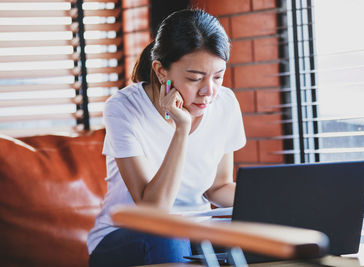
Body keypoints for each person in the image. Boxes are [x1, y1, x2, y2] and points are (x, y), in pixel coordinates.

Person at [87, 9, 246, 267]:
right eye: (195, 78)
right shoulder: (123, 108)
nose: (209, 92)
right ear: (161, 71)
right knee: (169, 235)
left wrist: (271, 206)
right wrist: (181, 130)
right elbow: (153, 212)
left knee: (264, 232)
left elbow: (217, 187)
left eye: (218, 77)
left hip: (197, 230)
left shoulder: (225, 103)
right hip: (129, 236)